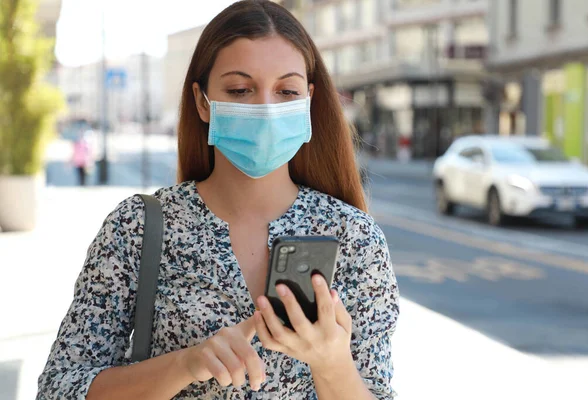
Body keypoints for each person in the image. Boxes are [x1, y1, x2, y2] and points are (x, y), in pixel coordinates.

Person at [36, 1, 399, 399]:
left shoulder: (354, 237)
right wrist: (185, 364)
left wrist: (332, 364)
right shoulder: (138, 227)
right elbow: (59, 387)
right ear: (202, 101)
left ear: (308, 101)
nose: (265, 108)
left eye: (286, 91)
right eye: (240, 90)